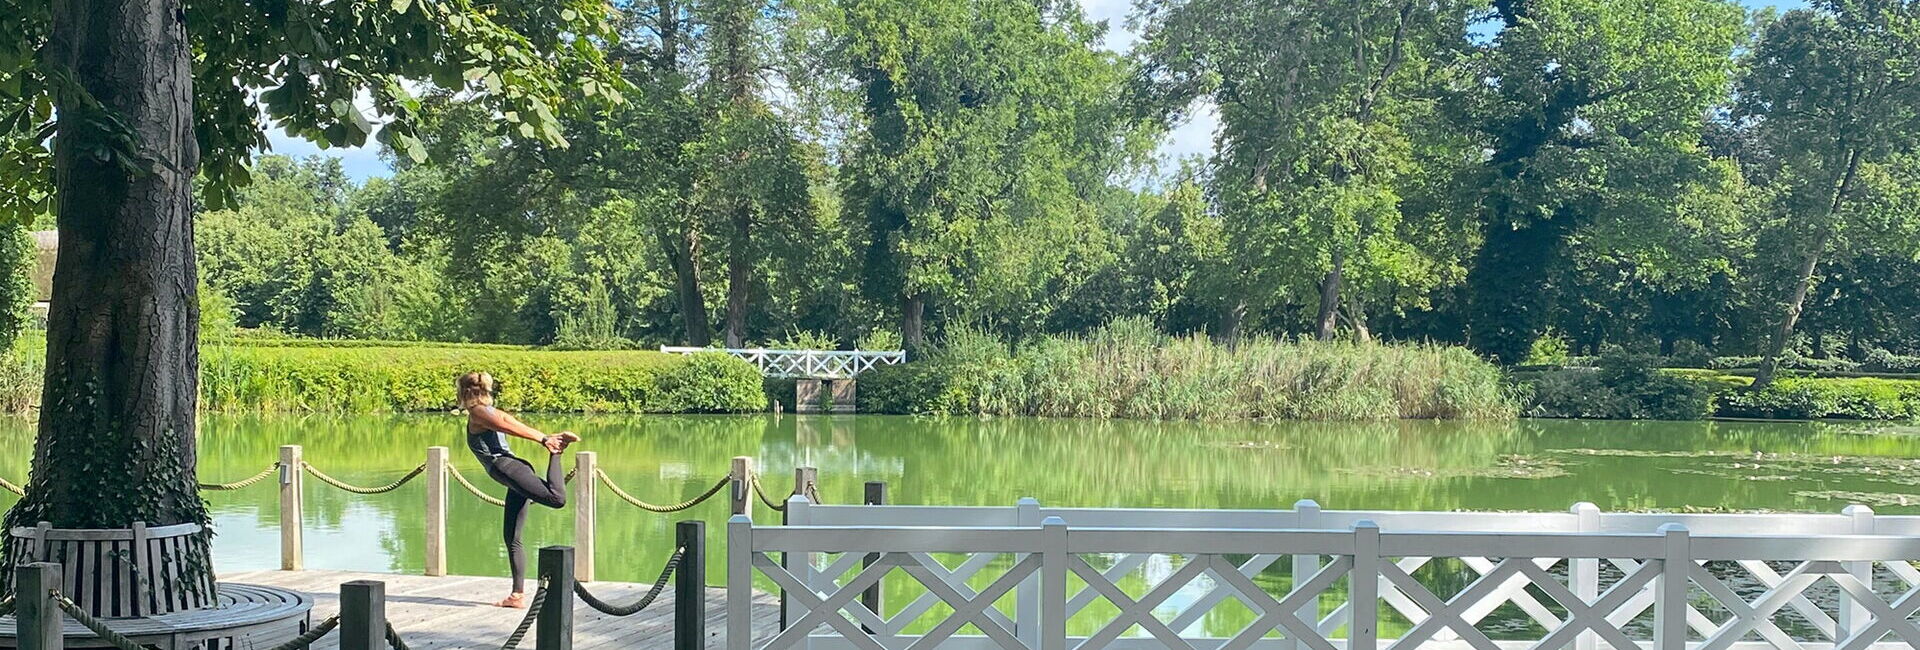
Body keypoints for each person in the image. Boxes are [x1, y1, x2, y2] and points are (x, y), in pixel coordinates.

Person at [457, 371, 581, 608]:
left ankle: (557, 452)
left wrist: (546, 440)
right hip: (512, 473)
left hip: (507, 468)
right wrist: (544, 436)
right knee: (512, 538)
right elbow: (509, 422)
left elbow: (508, 425)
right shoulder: (486, 411)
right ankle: (516, 596)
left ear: (464, 392)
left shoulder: (478, 412)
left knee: (557, 499)